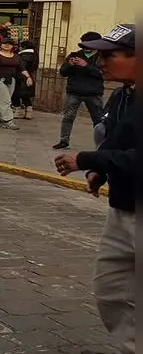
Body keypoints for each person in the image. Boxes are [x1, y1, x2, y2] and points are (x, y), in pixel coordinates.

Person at [53, 23, 135, 354]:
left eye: (109, 55)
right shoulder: (123, 95)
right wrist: (99, 169)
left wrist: (84, 159)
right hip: (123, 209)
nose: (100, 63)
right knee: (110, 290)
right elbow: (115, 139)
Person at [53, 31, 106, 150]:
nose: (85, 47)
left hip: (94, 93)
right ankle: (64, 141)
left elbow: (103, 74)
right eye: (83, 44)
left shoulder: (102, 57)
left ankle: (102, 145)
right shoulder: (74, 55)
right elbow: (63, 72)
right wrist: (69, 65)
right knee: (68, 117)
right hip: (74, 92)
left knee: (98, 120)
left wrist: (86, 66)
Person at [0, 39, 33, 131]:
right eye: (5, 43)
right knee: (6, 101)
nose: (7, 45)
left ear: (13, 46)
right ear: (1, 45)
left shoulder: (16, 57)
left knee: (3, 100)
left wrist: (28, 77)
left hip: (11, 80)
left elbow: (21, 69)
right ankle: (8, 120)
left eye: (9, 44)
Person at [13, 40, 38, 119]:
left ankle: (17, 112)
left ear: (23, 47)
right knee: (25, 96)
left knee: (16, 95)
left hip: (21, 78)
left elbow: (20, 67)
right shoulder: (34, 55)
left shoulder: (23, 56)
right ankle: (29, 113)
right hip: (29, 77)